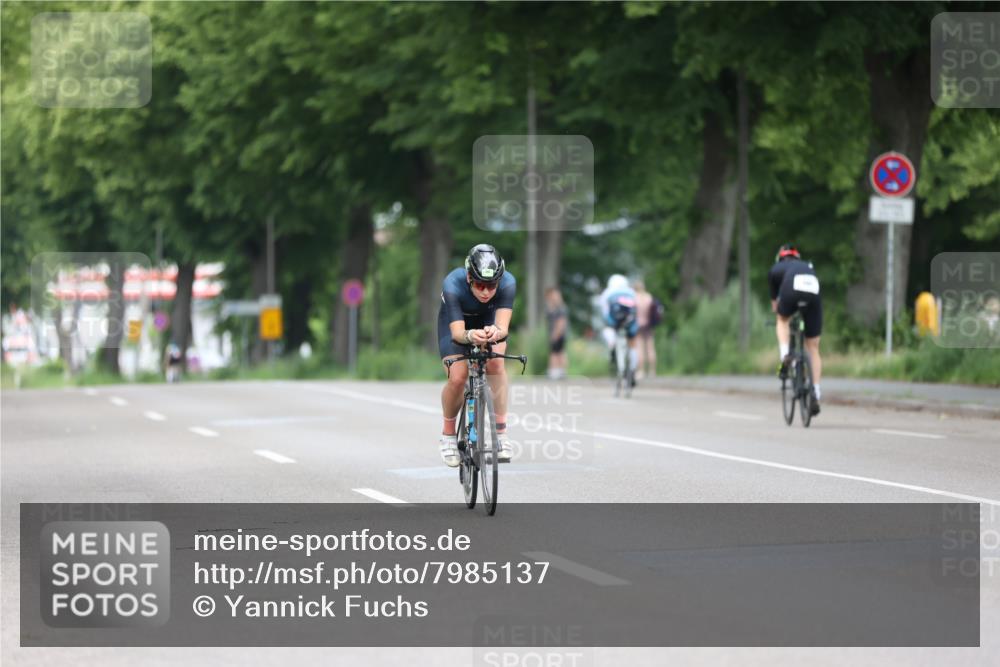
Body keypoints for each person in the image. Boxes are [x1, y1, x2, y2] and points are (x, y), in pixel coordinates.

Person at [437, 244, 516, 467]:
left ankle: (501, 434)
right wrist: (471, 335)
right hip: (457, 325)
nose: (486, 292)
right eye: (480, 285)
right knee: (458, 377)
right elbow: (457, 333)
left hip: (488, 321)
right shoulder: (453, 283)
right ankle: (449, 436)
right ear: (469, 278)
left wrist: (495, 332)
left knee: (496, 365)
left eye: (491, 286)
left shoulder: (508, 283)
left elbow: (503, 327)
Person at [768, 243, 823, 415]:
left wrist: (781, 311)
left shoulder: (776, 269)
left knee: (782, 319)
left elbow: (775, 305)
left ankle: (785, 354)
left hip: (792, 286)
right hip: (813, 287)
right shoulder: (807, 266)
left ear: (781, 258)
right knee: (813, 347)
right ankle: (816, 391)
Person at [600, 274, 638, 381]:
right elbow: (636, 309)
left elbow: (604, 311)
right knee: (632, 344)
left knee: (608, 331)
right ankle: (633, 369)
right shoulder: (631, 292)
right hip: (630, 321)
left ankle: (612, 347)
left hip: (615, 322)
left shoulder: (607, 293)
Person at [632, 280, 661, 380]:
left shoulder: (635, 298)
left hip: (638, 326)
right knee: (650, 348)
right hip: (649, 325)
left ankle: (641, 371)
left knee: (640, 349)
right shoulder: (649, 297)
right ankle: (652, 371)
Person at [544, 287, 568, 380]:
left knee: (555, 352)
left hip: (558, 333)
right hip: (555, 333)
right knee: (559, 352)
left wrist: (556, 334)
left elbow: (561, 322)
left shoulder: (560, 308)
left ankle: (554, 371)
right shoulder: (553, 307)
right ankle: (560, 371)